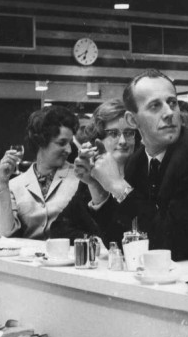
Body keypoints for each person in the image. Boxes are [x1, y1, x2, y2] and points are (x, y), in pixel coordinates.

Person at [85, 69, 188, 262]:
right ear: (132, 120)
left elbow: (170, 247)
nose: (169, 113)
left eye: (172, 103)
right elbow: (120, 244)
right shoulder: (138, 161)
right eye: (155, 106)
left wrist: (119, 187)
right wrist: (96, 188)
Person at [50, 99, 136, 241]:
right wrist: (93, 239)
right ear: (98, 139)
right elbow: (59, 229)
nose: (123, 141)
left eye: (128, 133)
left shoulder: (143, 174)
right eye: (114, 134)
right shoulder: (90, 178)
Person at [0, 106, 79, 239]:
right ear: (41, 142)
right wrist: (3, 183)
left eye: (70, 143)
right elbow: (4, 233)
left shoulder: (80, 178)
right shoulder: (15, 185)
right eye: (62, 143)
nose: (68, 149)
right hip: (28, 259)